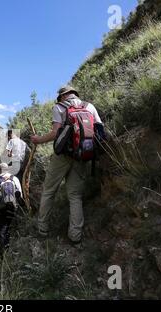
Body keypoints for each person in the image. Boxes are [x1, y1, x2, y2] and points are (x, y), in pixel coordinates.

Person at [30, 86, 103, 246]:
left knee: (49, 191)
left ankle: (43, 229)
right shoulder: (89, 106)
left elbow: (56, 133)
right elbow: (100, 130)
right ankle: (75, 236)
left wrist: (38, 140)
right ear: (75, 94)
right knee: (75, 196)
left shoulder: (59, 107)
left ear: (62, 96)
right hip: (82, 155)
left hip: (62, 156)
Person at [0, 163, 23, 252]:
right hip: (13, 206)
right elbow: (20, 193)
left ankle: (4, 249)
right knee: (9, 224)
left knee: (0, 227)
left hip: (1, 207)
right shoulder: (14, 178)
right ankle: (9, 244)